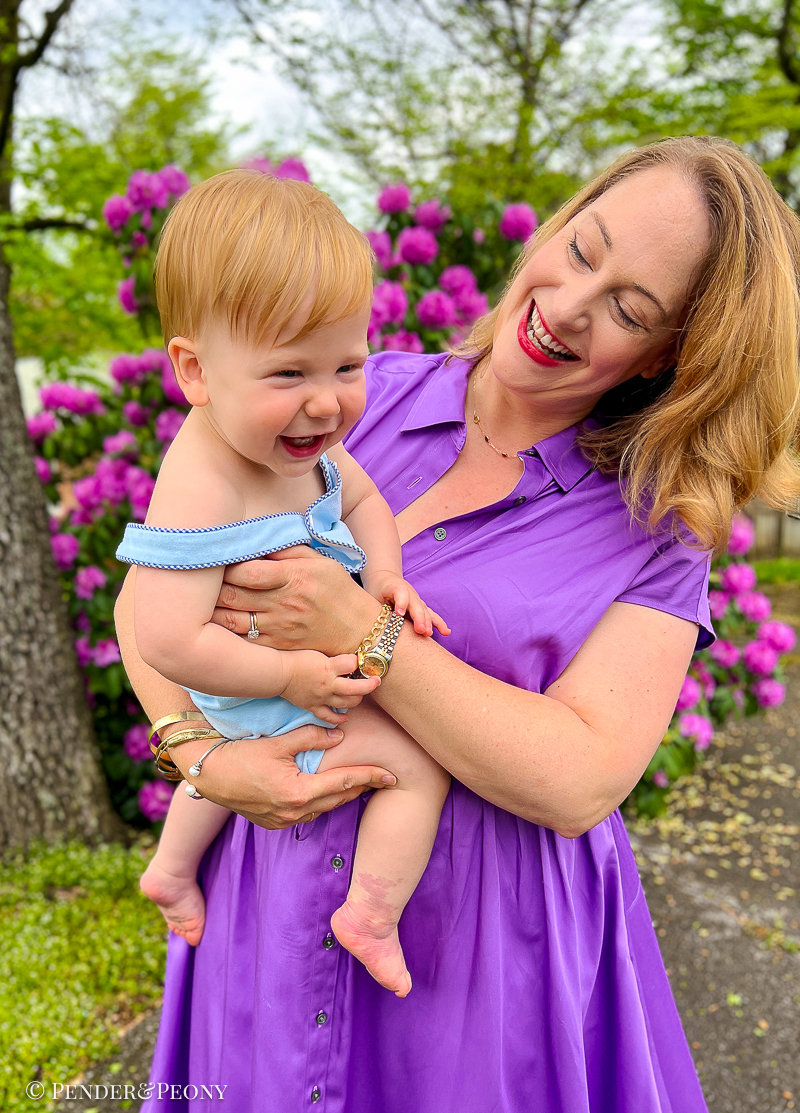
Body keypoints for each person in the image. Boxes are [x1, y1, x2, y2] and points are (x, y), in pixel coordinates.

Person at [116, 136, 800, 1112]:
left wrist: (363, 629)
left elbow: (580, 778)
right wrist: (203, 759)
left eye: (628, 309)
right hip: (264, 900)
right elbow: (150, 599)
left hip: (477, 955)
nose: (568, 304)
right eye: (581, 249)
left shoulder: (656, 528)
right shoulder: (348, 396)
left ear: (670, 355)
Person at [118, 169, 451, 999]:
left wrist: (386, 576)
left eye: (347, 364)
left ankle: (170, 867)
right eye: (288, 374)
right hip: (253, 681)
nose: (326, 403)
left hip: (269, 678)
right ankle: (369, 913)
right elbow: (166, 637)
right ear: (195, 371)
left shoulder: (299, 446)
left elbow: (364, 501)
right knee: (418, 763)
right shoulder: (201, 483)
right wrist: (289, 675)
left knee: (224, 762)